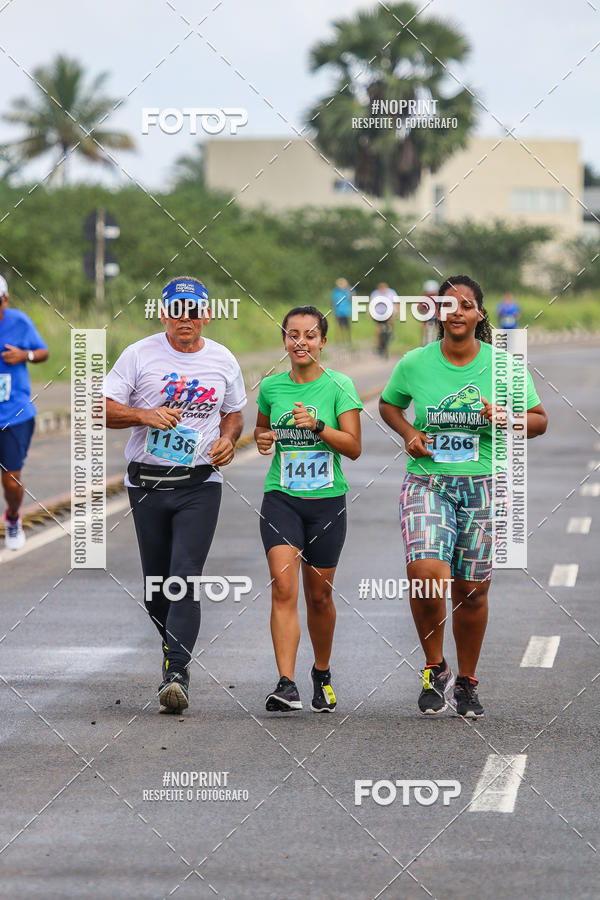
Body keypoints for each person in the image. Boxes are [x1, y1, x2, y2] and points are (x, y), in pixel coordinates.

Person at [379, 274, 547, 718]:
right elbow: (388, 405)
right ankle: (435, 667)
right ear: (437, 312)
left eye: (466, 305)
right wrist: (410, 432)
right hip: (427, 481)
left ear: (479, 314)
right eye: (448, 305)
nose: (456, 312)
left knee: (471, 591)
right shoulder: (415, 362)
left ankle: (467, 682)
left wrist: (506, 417)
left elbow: (538, 421)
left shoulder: (505, 366)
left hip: (484, 484)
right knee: (426, 571)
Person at [104, 276, 246, 713]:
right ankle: (174, 650)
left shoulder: (222, 358)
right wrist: (144, 414)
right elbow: (103, 407)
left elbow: (235, 413)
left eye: (194, 311)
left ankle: (176, 672)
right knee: (155, 588)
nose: (186, 319)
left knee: (184, 576)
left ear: (206, 314)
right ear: (164, 314)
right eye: (177, 311)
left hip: (199, 484)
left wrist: (228, 439)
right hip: (147, 483)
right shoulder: (139, 354)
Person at [254, 305, 362, 713]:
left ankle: (321, 672)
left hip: (327, 503)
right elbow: (261, 430)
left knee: (319, 597)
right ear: (284, 340)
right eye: (293, 335)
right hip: (281, 497)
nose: (300, 342)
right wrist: (264, 439)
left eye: (310, 335)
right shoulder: (271, 387)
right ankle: (286, 683)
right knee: (283, 588)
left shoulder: (340, 385)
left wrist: (317, 427)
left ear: (323, 341)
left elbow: (353, 447)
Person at [0, 275, 49, 551]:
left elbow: (44, 352)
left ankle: (14, 517)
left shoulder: (18, 322)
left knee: (11, 480)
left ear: (4, 300)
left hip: (13, 415)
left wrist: (25, 355)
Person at [370, 282, 397, 357]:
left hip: (389, 313)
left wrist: (396, 312)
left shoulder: (391, 293)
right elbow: (371, 304)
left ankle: (391, 333)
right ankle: (379, 345)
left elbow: (396, 303)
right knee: (378, 329)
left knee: (390, 324)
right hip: (379, 313)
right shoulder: (375, 293)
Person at [331, 277, 352, 344]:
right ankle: (340, 341)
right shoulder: (335, 292)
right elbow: (333, 301)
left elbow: (352, 299)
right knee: (340, 327)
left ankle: (348, 340)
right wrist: (334, 311)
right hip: (338, 312)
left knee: (348, 327)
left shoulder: (349, 290)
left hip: (347, 311)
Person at [419, 279, 440, 345]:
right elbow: (421, 306)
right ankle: (425, 340)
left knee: (439, 326)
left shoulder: (438, 296)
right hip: (427, 315)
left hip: (435, 315)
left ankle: (438, 339)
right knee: (425, 326)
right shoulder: (424, 296)